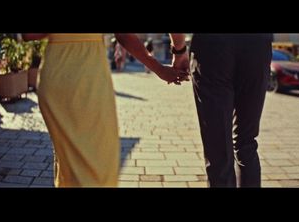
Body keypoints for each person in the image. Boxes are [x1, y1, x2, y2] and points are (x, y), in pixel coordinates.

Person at [23, 33, 187, 187]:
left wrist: (160, 68)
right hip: (89, 76)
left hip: (60, 72)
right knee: (96, 165)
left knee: (71, 165)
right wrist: (160, 68)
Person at [172, 34, 273, 187]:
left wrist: (179, 50)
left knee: (218, 147)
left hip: (212, 46)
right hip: (256, 44)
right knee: (246, 142)